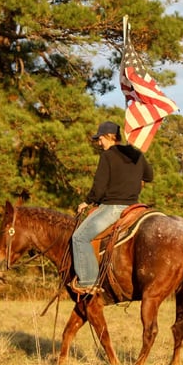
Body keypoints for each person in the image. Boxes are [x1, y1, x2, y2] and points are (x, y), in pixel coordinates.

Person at [70, 121, 153, 295]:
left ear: (109, 136)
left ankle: (88, 282)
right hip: (135, 207)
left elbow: (99, 187)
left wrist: (87, 201)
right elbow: (149, 176)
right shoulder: (136, 153)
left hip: (113, 207)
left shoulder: (107, 156)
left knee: (79, 237)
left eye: (100, 139)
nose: (99, 143)